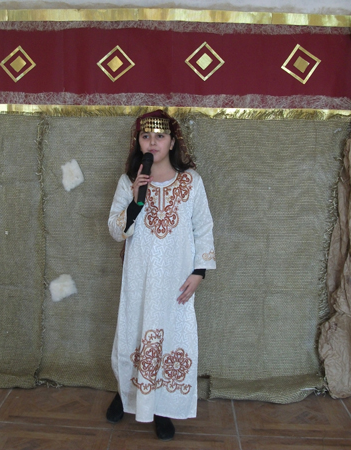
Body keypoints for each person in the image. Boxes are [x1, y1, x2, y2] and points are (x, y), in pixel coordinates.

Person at [107, 110, 216, 440]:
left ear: (172, 142)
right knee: (133, 335)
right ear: (138, 142)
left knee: (172, 338)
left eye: (160, 136)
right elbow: (115, 230)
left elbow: (203, 228)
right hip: (139, 280)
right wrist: (136, 201)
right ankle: (126, 395)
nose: (152, 142)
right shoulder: (128, 182)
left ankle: (163, 408)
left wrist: (199, 272)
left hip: (175, 283)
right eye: (145, 136)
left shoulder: (191, 182)